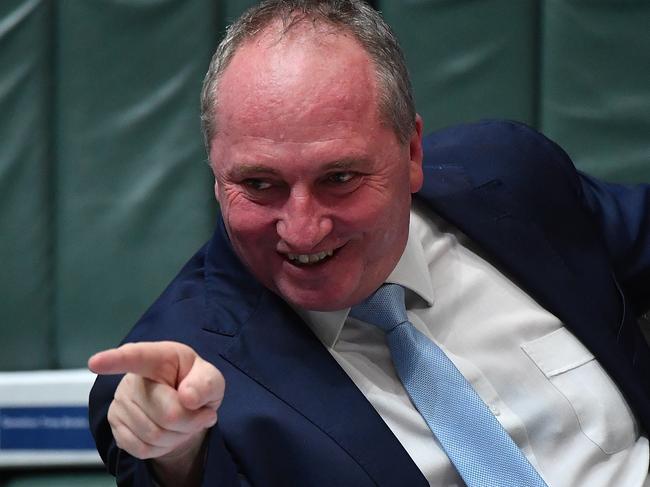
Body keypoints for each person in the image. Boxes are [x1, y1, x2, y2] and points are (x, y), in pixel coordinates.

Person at [88, 0, 650, 485]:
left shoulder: (511, 179)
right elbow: (169, 458)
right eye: (260, 185)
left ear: (411, 154)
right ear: (216, 176)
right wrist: (177, 451)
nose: (302, 230)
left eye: (339, 179)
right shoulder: (174, 369)